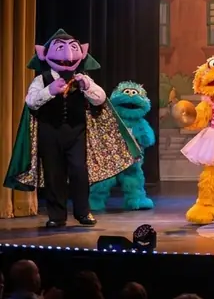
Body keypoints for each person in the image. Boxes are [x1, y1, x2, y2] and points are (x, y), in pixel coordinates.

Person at [5, 30, 140, 227]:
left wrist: (87, 87)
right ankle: (57, 216)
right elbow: (31, 102)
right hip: (49, 132)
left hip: (76, 133)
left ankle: (83, 212)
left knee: (79, 171)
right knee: (54, 174)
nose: (68, 59)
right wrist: (50, 90)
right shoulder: (41, 80)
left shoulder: (82, 77)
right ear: (44, 54)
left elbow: (100, 98)